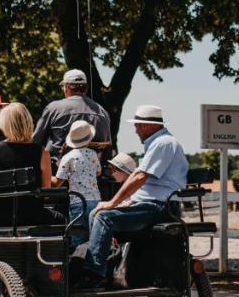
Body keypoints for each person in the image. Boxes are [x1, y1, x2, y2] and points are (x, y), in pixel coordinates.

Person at [79, 104, 186, 286]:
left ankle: (95, 273)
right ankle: (107, 264)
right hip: (152, 204)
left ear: (147, 125)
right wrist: (130, 201)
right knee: (95, 212)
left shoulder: (163, 143)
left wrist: (113, 202)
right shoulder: (158, 144)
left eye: (137, 125)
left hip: (159, 207)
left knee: (103, 216)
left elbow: (140, 176)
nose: (135, 130)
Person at [0, 102, 60, 228]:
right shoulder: (42, 152)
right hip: (32, 217)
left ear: (3, 124)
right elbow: (46, 192)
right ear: (28, 122)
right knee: (62, 219)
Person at [32, 69, 112, 159]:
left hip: (58, 170)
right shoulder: (103, 112)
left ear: (67, 87)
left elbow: (36, 142)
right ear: (86, 87)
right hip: (94, 170)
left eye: (63, 86)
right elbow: (107, 149)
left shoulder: (53, 108)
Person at [53, 120, 101, 243]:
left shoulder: (68, 157)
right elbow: (98, 172)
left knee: (78, 237)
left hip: (78, 202)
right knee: (94, 237)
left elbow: (58, 182)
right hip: (96, 200)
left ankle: (78, 260)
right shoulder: (93, 154)